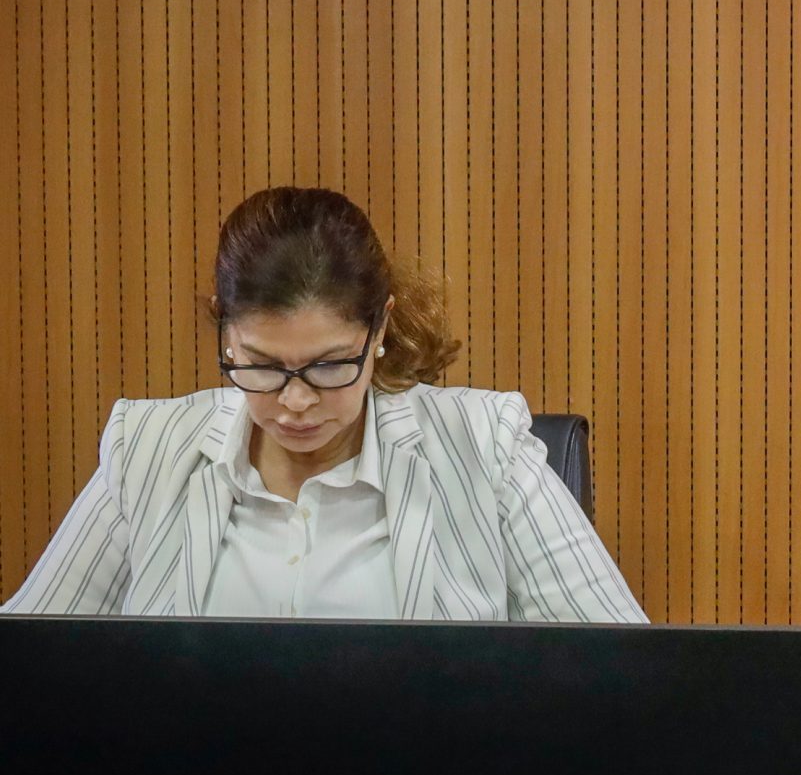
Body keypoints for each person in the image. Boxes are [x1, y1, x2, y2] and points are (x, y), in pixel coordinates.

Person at [3, 187, 645, 622]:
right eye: (261, 366)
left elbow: (621, 669)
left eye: (332, 365)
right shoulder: (146, 448)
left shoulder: (485, 444)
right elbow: (30, 665)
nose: (296, 402)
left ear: (379, 328)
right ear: (224, 330)